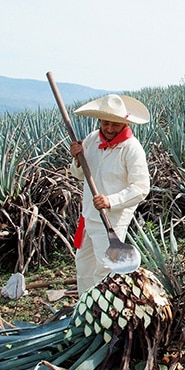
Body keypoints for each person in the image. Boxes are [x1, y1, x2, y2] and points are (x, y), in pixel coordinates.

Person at [69, 94, 151, 295]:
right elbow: (79, 174)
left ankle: (103, 311)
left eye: (115, 124)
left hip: (112, 219)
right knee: (84, 266)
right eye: (106, 123)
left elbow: (141, 188)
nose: (110, 129)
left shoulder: (132, 149)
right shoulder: (91, 139)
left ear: (124, 123)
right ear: (100, 121)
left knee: (105, 270)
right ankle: (84, 308)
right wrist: (77, 158)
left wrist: (110, 201)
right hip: (89, 214)